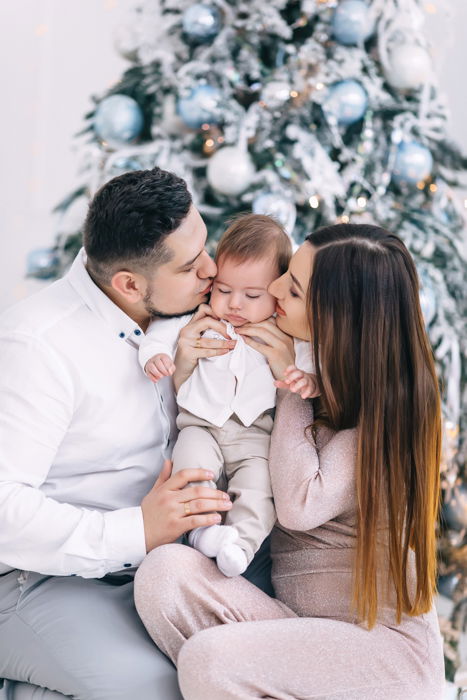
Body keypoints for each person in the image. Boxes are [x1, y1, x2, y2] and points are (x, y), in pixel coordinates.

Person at [134, 223, 446, 699]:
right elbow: (219, 430)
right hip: (296, 626)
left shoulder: (387, 410)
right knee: (163, 575)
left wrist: (289, 381)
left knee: (210, 661)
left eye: (293, 289)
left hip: (380, 652)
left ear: (333, 318)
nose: (275, 287)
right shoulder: (290, 352)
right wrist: (185, 365)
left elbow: (300, 502)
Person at [0, 167, 272, 700]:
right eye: (193, 266)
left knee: (261, 661)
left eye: (205, 247)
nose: (213, 272)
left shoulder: (188, 315)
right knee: (168, 687)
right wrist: (138, 530)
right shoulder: (37, 348)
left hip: (171, 562)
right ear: (129, 283)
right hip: (44, 580)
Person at [138, 215, 317, 579]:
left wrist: (310, 381)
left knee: (258, 490)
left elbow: (312, 361)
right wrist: (152, 355)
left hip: (254, 433)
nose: (234, 304)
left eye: (252, 296)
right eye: (223, 290)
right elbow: (159, 332)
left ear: (277, 292)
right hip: (200, 425)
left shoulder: (286, 333)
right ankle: (203, 532)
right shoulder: (199, 319)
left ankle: (241, 545)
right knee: (192, 471)